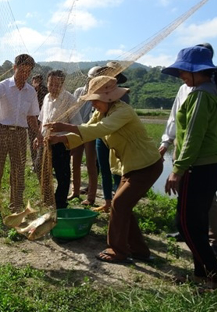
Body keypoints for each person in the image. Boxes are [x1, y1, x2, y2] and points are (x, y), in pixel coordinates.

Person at [47, 76, 163, 263]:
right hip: (131, 166)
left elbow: (100, 129)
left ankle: (117, 250)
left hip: (146, 165)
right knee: (124, 206)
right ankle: (139, 251)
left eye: (95, 100)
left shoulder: (123, 111)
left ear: (108, 98)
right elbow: (88, 129)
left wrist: (65, 127)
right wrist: (61, 138)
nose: (93, 104)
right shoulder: (100, 113)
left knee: (119, 204)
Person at [160, 43, 217, 259]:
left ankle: (215, 241)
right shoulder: (186, 86)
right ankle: (186, 231)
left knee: (206, 198)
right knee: (184, 194)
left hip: (202, 152)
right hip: (183, 147)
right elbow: (175, 116)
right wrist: (167, 141)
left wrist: (209, 131)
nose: (182, 75)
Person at [0, 54, 41, 213]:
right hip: (1, 131)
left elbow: (31, 116)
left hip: (20, 134)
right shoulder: (2, 86)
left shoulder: (31, 91)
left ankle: (16, 205)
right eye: (21, 70)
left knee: (18, 170)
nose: (24, 74)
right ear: (14, 68)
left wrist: (38, 133)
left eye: (28, 72)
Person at [35, 70, 82, 209]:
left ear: (63, 84)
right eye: (51, 84)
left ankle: (60, 202)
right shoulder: (46, 98)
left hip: (61, 143)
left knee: (62, 174)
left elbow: (76, 125)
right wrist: (38, 136)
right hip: (45, 141)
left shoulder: (70, 99)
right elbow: (42, 120)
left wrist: (61, 137)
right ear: (47, 83)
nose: (54, 88)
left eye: (57, 85)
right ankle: (47, 198)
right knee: (41, 170)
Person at [93, 62, 130, 213]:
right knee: (104, 169)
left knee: (117, 171)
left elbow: (114, 122)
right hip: (101, 137)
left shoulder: (123, 96)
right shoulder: (100, 92)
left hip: (116, 139)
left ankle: (117, 201)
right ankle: (107, 202)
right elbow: (94, 119)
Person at [69, 68, 99, 205]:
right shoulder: (79, 92)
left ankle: (91, 197)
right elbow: (74, 111)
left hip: (90, 131)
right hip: (77, 130)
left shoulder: (100, 93)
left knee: (91, 165)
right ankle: (75, 191)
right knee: (75, 162)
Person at [28, 73, 48, 174]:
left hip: (42, 120)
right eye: (34, 80)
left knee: (42, 142)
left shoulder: (45, 90)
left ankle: (42, 164)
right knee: (32, 142)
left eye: (38, 79)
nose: (36, 82)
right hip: (31, 120)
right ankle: (34, 163)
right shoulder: (29, 90)